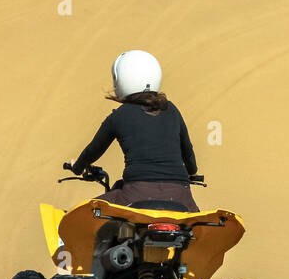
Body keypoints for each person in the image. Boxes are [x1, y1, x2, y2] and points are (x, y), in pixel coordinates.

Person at [69, 50, 200, 212]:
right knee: (196, 231)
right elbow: (188, 152)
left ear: (121, 80)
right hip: (182, 198)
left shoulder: (119, 116)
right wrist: (192, 172)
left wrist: (78, 167)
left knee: (82, 214)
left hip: (135, 195)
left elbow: (92, 151)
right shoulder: (171, 109)